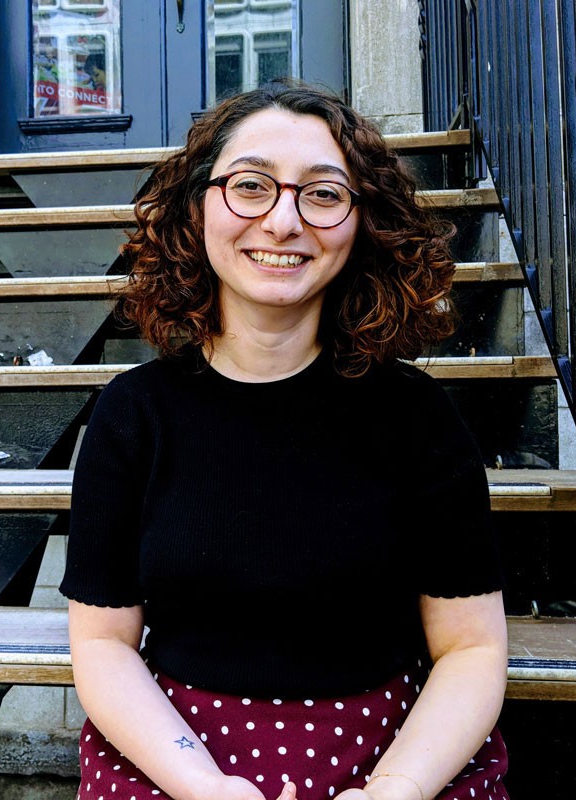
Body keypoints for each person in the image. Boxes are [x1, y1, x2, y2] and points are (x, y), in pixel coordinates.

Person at [60, 80, 509, 800]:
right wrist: (201, 784)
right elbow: (103, 643)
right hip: (180, 755)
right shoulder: (132, 415)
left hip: (391, 754)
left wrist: (395, 788)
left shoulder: (416, 416)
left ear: (362, 224)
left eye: (323, 195)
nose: (281, 221)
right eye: (251, 186)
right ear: (198, 207)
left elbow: (471, 644)